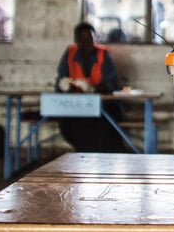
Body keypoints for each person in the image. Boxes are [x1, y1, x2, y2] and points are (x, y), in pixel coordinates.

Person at [54, 22, 127, 152]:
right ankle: (84, 154)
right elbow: (61, 80)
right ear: (76, 40)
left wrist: (92, 88)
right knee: (69, 124)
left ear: (95, 39)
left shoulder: (103, 55)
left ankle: (100, 156)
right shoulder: (70, 54)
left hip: (103, 105)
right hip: (77, 106)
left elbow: (111, 84)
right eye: (82, 39)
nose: (87, 43)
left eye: (90, 39)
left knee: (103, 124)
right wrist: (65, 85)